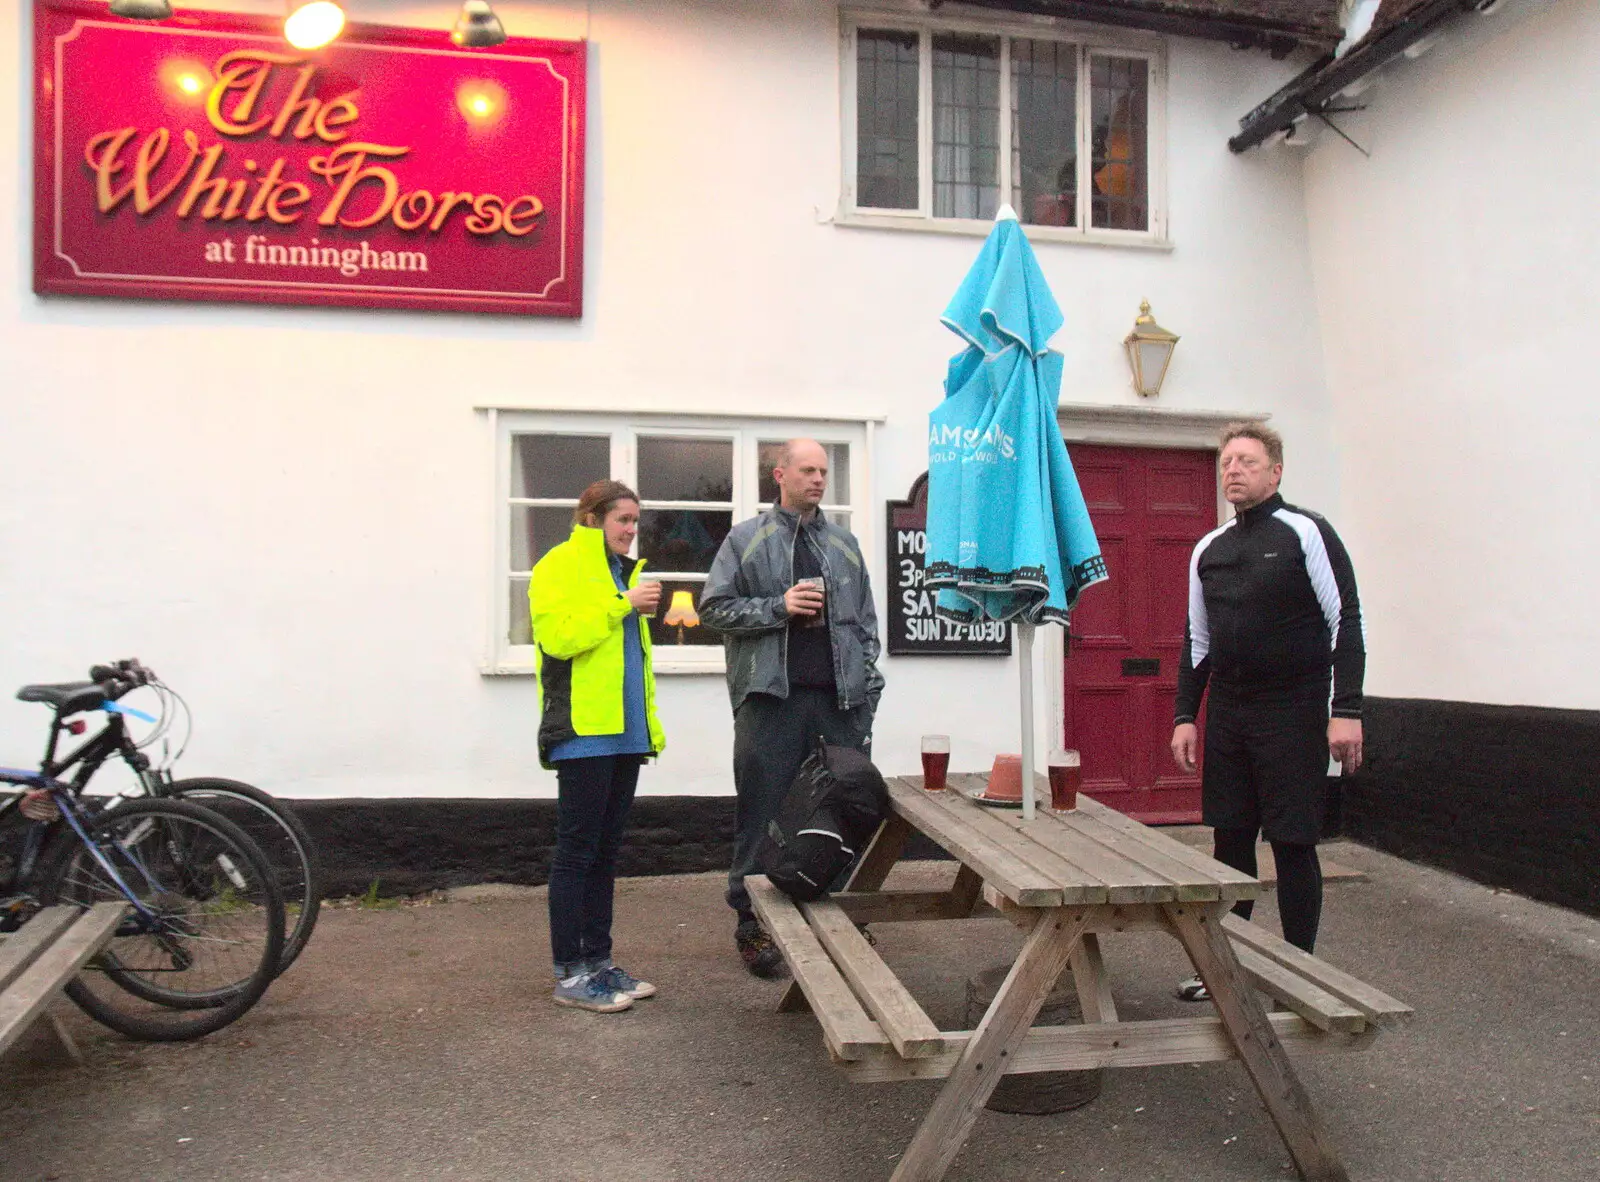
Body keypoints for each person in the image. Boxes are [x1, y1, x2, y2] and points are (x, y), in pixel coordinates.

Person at [1171, 422, 1365, 1001]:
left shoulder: (1307, 532)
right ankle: (1228, 968)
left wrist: (1346, 708)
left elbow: (1344, 621)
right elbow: (1196, 642)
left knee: (1292, 840)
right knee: (1230, 843)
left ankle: (1298, 972)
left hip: (1294, 709)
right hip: (1230, 712)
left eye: (1247, 461)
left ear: (1275, 472)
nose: (1233, 469)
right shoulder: (1209, 548)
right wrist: (1186, 714)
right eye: (1227, 461)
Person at [700, 439, 885, 977]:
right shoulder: (745, 540)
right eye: (807, 470)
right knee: (761, 817)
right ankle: (753, 926)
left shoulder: (845, 545)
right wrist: (777, 608)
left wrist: (866, 701)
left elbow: (867, 629)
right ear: (779, 475)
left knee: (842, 813)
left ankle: (838, 921)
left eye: (824, 471)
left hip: (839, 706)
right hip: (771, 704)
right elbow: (714, 607)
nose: (819, 479)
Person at [529, 480, 667, 1013]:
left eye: (636, 521)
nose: (632, 531)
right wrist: (621, 606)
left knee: (606, 853)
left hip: (626, 733)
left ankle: (599, 963)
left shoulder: (621, 571)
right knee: (577, 853)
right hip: (583, 734)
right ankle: (569, 974)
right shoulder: (557, 566)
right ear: (592, 517)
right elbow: (558, 639)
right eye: (623, 520)